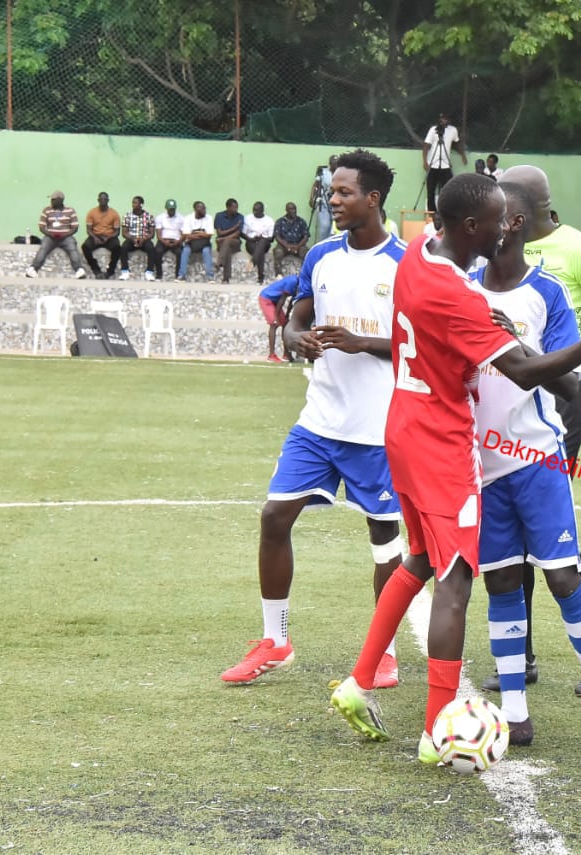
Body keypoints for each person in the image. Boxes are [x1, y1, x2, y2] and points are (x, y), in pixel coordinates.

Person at [329, 173, 581, 762]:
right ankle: (437, 730)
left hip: (459, 441)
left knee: (436, 561)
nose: (506, 227)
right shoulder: (462, 292)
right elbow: (524, 368)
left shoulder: (420, 256)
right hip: (452, 449)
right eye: (497, 218)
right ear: (474, 227)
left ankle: (360, 679)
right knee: (462, 580)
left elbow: (548, 372)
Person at [221, 149, 407, 688]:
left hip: (378, 428)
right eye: (332, 191)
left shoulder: (406, 262)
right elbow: (299, 312)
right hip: (320, 420)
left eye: (345, 192)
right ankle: (275, 640)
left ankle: (385, 652)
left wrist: (361, 343)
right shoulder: (322, 255)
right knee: (274, 518)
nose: (334, 199)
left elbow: (421, 343)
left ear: (373, 199)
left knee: (384, 539)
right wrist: (294, 337)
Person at [472, 179, 581, 751]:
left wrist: (516, 344)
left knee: (562, 575)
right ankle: (514, 712)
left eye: (485, 217)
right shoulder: (460, 289)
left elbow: (565, 380)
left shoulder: (548, 293)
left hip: (535, 455)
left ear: (509, 224)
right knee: (503, 582)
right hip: (480, 465)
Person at [25, 190, 85, 278]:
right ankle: (33, 269)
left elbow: (75, 227)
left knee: (72, 248)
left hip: (66, 237)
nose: (51, 201)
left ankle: (79, 270)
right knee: (43, 248)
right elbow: (41, 227)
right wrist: (50, 234)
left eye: (53, 200)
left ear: (60, 200)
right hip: (50, 237)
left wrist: (65, 235)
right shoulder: (46, 210)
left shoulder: (70, 211)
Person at [421, 112, 468, 212]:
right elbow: (426, 146)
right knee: (430, 192)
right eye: (442, 119)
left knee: (447, 191)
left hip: (446, 165)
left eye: (446, 119)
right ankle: (432, 213)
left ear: (449, 120)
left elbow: (456, 144)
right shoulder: (433, 130)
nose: (444, 120)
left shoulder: (453, 130)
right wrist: (425, 162)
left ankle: (445, 211)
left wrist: (463, 155)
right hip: (433, 164)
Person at [257, 274, 298, 363]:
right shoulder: (293, 281)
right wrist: (276, 316)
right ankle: (271, 355)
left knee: (286, 324)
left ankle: (286, 354)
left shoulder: (302, 285)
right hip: (267, 298)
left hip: (275, 301)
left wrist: (286, 315)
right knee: (274, 324)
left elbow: (292, 302)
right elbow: (282, 299)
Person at [81, 192, 121, 279]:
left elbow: (117, 231)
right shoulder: (92, 212)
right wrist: (95, 238)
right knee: (85, 247)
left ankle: (110, 271)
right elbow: (89, 229)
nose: (103, 201)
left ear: (108, 200)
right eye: (101, 199)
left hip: (109, 237)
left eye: (105, 199)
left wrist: (108, 237)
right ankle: (96, 270)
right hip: (95, 236)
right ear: (98, 200)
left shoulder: (114, 213)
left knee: (117, 247)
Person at [118, 196, 158, 281]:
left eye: (135, 202)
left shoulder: (149, 216)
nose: (133, 204)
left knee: (151, 248)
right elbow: (124, 233)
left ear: (141, 204)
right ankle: (125, 271)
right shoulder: (127, 216)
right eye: (133, 202)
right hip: (132, 239)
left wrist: (144, 239)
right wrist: (133, 238)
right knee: (124, 248)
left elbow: (152, 233)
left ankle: (149, 272)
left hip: (144, 239)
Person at [178, 201, 215, 281]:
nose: (205, 210)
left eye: (205, 208)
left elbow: (209, 234)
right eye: (203, 209)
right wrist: (201, 234)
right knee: (185, 252)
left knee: (206, 252)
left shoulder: (209, 218)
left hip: (205, 243)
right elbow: (187, 235)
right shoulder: (188, 218)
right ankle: (182, 275)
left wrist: (194, 234)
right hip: (191, 244)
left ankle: (210, 276)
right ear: (196, 209)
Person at [309, 155, 339, 245]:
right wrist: (312, 198)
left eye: (337, 163)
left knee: (334, 228)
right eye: (334, 163)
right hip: (324, 204)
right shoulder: (324, 173)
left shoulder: (341, 173)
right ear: (330, 164)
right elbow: (315, 185)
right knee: (324, 227)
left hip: (337, 205)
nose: (335, 165)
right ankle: (321, 248)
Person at [243, 201, 275, 285]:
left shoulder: (269, 220)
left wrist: (262, 237)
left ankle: (253, 262)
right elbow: (243, 233)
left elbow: (271, 238)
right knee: (259, 252)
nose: (254, 212)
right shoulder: (248, 218)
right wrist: (251, 238)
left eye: (257, 210)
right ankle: (261, 277)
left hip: (265, 243)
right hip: (251, 243)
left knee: (262, 241)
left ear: (262, 210)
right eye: (254, 210)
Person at [273, 202, 309, 276]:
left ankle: (305, 274)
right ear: (286, 210)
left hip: (299, 245)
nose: (294, 211)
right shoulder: (280, 221)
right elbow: (277, 236)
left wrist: (298, 246)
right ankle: (279, 274)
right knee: (278, 252)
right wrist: (286, 246)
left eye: (294, 209)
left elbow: (306, 236)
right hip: (284, 245)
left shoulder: (301, 221)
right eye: (291, 209)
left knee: (307, 253)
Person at [214, 198, 244, 284]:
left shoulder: (240, 217)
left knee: (226, 242)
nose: (236, 210)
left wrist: (224, 238)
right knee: (227, 250)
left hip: (235, 243)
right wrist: (234, 228)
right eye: (234, 207)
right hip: (222, 244)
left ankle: (219, 263)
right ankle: (226, 278)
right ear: (227, 207)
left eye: (237, 207)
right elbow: (219, 232)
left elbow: (237, 234)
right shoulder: (219, 216)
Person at [155, 199, 185, 281]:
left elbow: (183, 233)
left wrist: (178, 241)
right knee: (157, 251)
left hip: (176, 240)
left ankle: (178, 275)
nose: (172, 211)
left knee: (180, 253)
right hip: (163, 240)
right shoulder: (160, 217)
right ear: (166, 208)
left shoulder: (181, 218)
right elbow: (158, 234)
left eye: (173, 209)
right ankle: (158, 274)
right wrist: (164, 241)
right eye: (170, 209)